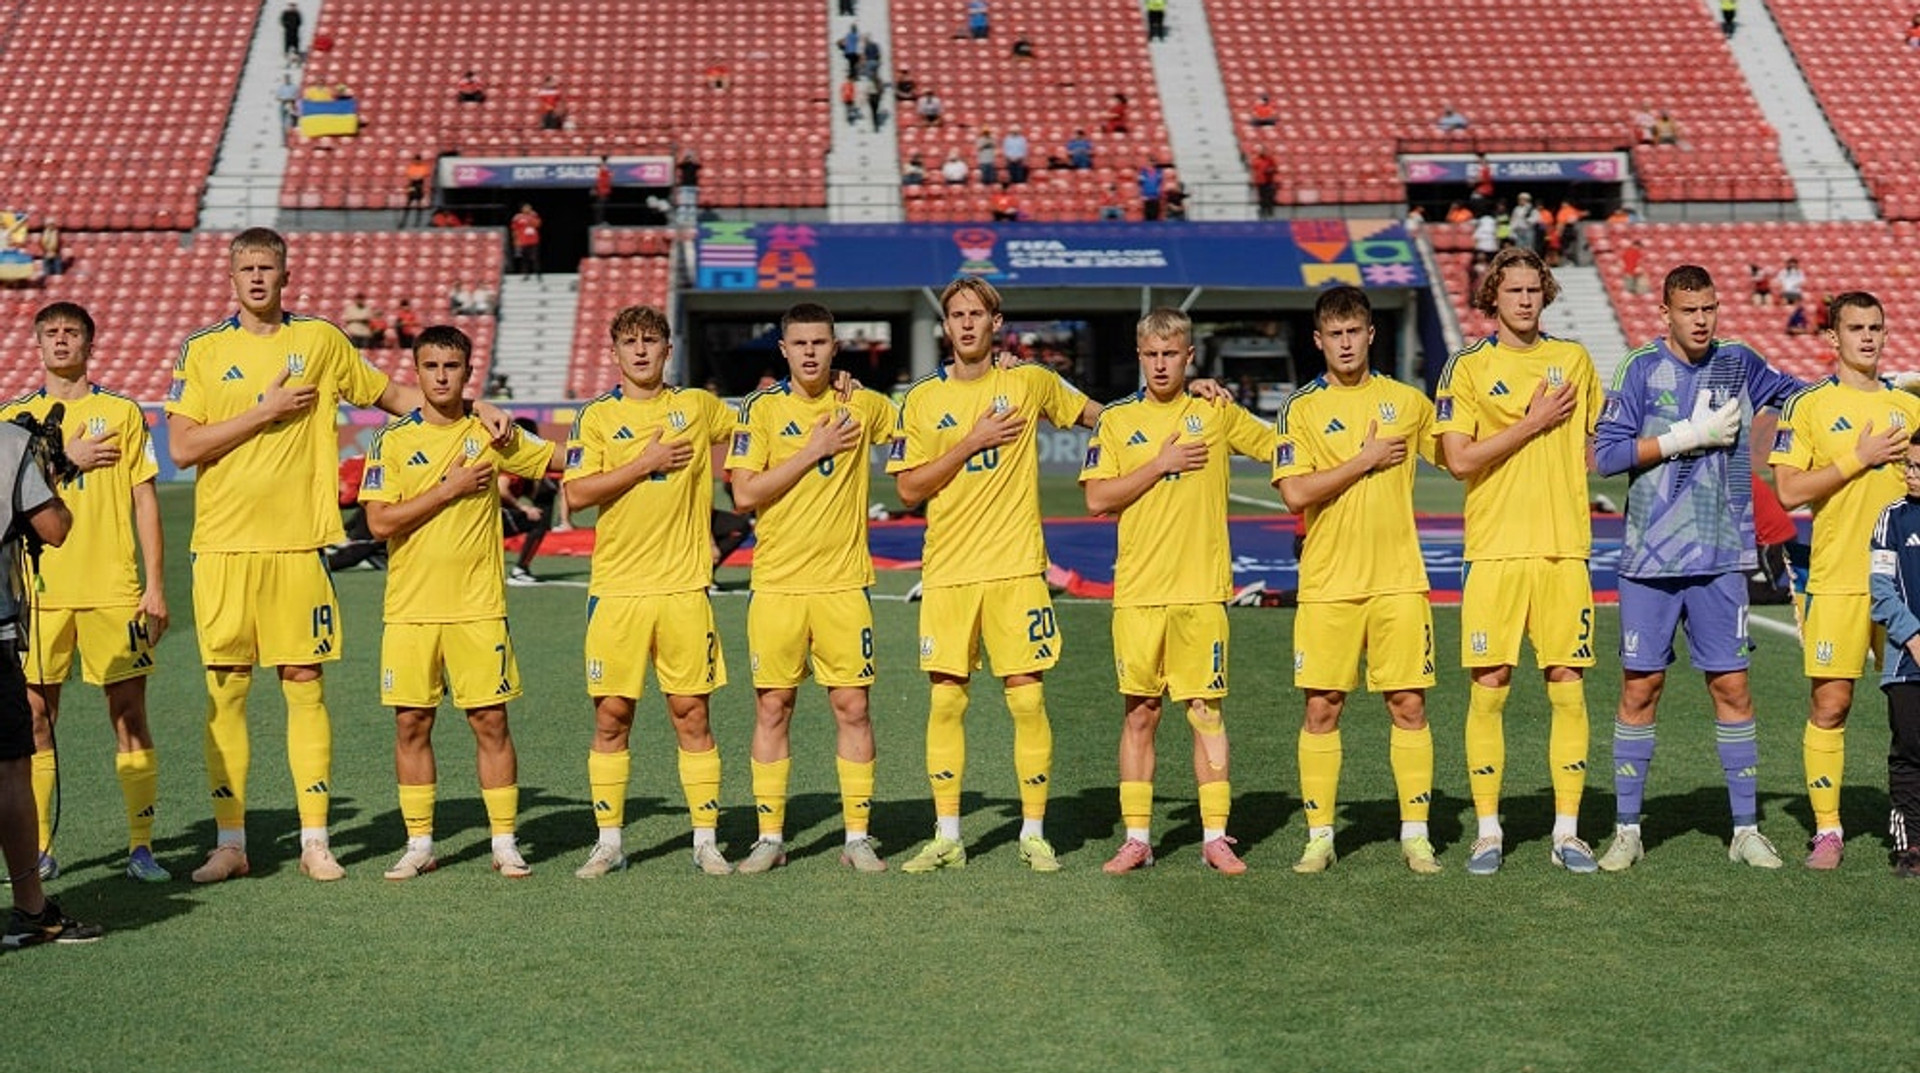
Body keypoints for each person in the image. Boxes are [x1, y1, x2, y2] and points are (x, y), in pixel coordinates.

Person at [165, 228, 508, 885]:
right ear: (231, 277)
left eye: (268, 267)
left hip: (298, 545)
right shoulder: (204, 350)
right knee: (227, 690)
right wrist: (263, 411)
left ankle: (315, 840)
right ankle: (231, 842)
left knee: (303, 684)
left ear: (286, 274)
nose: (258, 278)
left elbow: (397, 398)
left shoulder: (321, 341)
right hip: (222, 546)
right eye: (247, 268)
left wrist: (474, 405)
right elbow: (182, 448)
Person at [1590, 265, 1802, 871]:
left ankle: (1745, 829)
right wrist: (1687, 437)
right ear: (1666, 313)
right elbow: (1604, 456)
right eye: (1689, 310)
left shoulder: (1738, 361)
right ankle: (1628, 829)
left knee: (1732, 687)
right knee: (1641, 689)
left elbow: (1795, 394)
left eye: (1709, 308)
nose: (1702, 320)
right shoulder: (1638, 369)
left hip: (1720, 557)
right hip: (1649, 559)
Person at [887, 278, 1097, 873]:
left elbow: (1103, 418)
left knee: (1027, 702)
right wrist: (971, 441)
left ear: (996, 322)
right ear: (945, 327)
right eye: (956, 315)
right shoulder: (923, 400)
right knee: (946, 703)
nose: (967, 324)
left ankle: (1033, 832)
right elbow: (907, 489)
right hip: (950, 572)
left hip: (1015, 571)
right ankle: (947, 835)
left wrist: (1186, 395)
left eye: (977, 314)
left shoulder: (1028, 381)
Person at [1082, 307, 1275, 875]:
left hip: (1200, 592)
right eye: (1152, 354)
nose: (1162, 363)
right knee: (1140, 713)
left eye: (1172, 354)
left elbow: (1276, 446)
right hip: (1139, 594)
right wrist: (1161, 463)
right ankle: (1137, 840)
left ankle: (1216, 836)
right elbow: (1098, 499)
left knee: (1205, 711)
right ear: (1139, 356)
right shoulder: (1116, 421)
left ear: (1190, 357)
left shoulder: (1214, 412)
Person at [1434, 245, 1603, 875]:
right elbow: (1460, 460)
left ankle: (1567, 832)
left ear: (1547, 293)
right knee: (1490, 688)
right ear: (1492, 298)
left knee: (1567, 686)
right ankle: (1487, 831)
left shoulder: (1575, 362)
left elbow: (1593, 448)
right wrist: (1531, 422)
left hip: (1564, 550)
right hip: (1495, 551)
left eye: (1535, 289)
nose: (1526, 300)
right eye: (1514, 291)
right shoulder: (1467, 368)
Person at [359, 326, 550, 880]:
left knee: (491, 721)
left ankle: (504, 841)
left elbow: (558, 459)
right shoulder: (390, 441)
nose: (442, 376)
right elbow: (378, 522)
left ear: (469, 373)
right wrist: (447, 487)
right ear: (415, 373)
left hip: (477, 607)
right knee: (411, 725)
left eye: (452, 367)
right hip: (410, 610)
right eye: (431, 367)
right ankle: (420, 843)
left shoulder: (493, 431)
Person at [1267, 287, 1443, 875]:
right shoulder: (1301, 409)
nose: (1344, 344)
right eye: (1333, 334)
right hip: (1328, 584)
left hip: (1398, 580)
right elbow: (1295, 492)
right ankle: (1320, 836)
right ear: (1319, 341)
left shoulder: (1408, 402)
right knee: (1322, 707)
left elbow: (1461, 455)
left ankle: (1416, 835)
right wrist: (1364, 460)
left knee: (1408, 704)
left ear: (1371, 335)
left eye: (1354, 332)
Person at [726, 303, 897, 874]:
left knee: (853, 707)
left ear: (835, 347)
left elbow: (924, 424)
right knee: (773, 707)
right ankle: (769, 838)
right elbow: (744, 495)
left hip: (844, 586)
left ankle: (857, 837)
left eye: (820, 343)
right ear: (783, 349)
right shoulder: (761, 409)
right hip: (777, 586)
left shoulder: (864, 405)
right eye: (799, 344)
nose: (809, 353)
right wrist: (813, 450)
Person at [565, 306, 736, 878]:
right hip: (616, 592)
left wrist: (838, 383)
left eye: (651, 341)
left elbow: (765, 420)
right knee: (612, 717)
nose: (640, 351)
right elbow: (577, 496)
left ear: (669, 349)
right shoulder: (594, 419)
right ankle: (609, 842)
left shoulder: (697, 407)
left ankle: (706, 840)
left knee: (692, 714)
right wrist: (645, 463)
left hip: (684, 589)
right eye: (630, 342)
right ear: (614, 353)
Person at [3, 303, 169, 883]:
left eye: (72, 332)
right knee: (35, 717)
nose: (61, 340)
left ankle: (141, 846)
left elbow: (146, 499)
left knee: (128, 713)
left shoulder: (121, 412)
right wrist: (62, 462)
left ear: (90, 343)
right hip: (42, 593)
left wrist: (155, 585)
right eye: (50, 332)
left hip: (113, 588)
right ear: (37, 344)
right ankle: (42, 848)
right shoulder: (14, 419)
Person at [1770, 291, 1920, 869]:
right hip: (1836, 579)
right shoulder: (1807, 407)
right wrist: (1859, 457)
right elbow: (1789, 492)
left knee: (1913, 709)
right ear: (1832, 338)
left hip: (1905, 586)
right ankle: (1828, 830)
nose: (1867, 337)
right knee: (1831, 703)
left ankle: (1913, 824)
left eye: (1876, 327)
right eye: (1855, 327)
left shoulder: (1908, 407)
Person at [0, 416, 101, 947]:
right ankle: (32, 910)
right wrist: (53, 472)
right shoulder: (9, 443)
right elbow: (54, 528)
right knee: (12, 768)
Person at [1869, 430, 1920, 876]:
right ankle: (1911, 847)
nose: (1910, 474)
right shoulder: (1892, 518)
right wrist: (1914, 637)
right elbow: (1880, 591)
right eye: (1908, 465)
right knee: (1910, 749)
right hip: (1907, 663)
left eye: (1919, 467)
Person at [501, 417, 560, 585]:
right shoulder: (512, 458)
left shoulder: (522, 461)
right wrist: (524, 508)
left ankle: (521, 569)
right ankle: (520, 570)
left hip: (497, 512)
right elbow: (501, 488)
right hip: (488, 514)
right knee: (538, 521)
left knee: (545, 501)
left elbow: (526, 490)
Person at [399, 153, 432, 229]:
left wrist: (417, 176)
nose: (417, 162)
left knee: (418, 204)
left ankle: (417, 222)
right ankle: (403, 222)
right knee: (408, 203)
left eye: (418, 160)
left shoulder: (424, 167)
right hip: (412, 186)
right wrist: (416, 177)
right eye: (415, 160)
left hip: (419, 186)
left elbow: (424, 174)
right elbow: (410, 175)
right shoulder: (411, 167)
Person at [509, 204, 541, 279]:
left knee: (535, 257)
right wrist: (515, 240)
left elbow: (538, 225)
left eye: (529, 208)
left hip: (534, 241)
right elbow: (514, 229)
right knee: (524, 259)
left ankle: (537, 273)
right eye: (525, 208)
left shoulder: (534, 215)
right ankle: (525, 274)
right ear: (522, 209)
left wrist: (533, 217)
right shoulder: (517, 217)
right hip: (523, 241)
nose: (527, 209)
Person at [1251, 145, 1278, 220]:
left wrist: (1271, 170)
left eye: (1263, 150)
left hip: (1269, 181)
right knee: (1262, 197)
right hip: (1260, 181)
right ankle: (1263, 211)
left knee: (1269, 196)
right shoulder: (1256, 160)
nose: (1262, 152)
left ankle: (1270, 211)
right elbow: (1254, 169)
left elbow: (1275, 168)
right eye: (1260, 151)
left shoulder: (1270, 159)